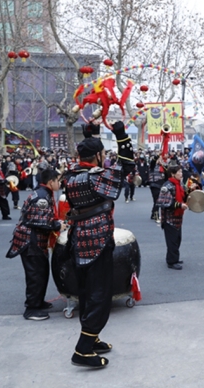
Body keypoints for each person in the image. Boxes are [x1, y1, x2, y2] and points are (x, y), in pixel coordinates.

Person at [64, 121, 134, 369]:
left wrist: (89, 135)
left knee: (86, 292)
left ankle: (92, 338)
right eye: (102, 153)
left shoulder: (70, 176)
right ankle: (82, 350)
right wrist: (121, 135)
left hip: (78, 239)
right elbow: (128, 164)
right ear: (97, 156)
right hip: (98, 239)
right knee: (100, 295)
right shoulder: (97, 178)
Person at [6, 168, 65, 321]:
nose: (60, 183)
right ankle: (31, 309)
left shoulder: (43, 193)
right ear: (51, 182)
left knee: (42, 272)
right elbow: (39, 221)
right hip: (31, 240)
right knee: (35, 275)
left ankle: (38, 302)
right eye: (58, 180)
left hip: (36, 240)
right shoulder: (42, 198)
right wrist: (58, 225)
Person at [157, 163, 200, 270]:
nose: (181, 174)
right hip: (169, 218)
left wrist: (191, 189)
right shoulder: (167, 186)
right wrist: (180, 205)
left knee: (177, 239)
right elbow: (163, 202)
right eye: (179, 172)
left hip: (178, 217)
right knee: (172, 241)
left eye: (181, 172)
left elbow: (184, 196)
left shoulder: (179, 184)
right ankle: (171, 261)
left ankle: (174, 257)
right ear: (172, 174)